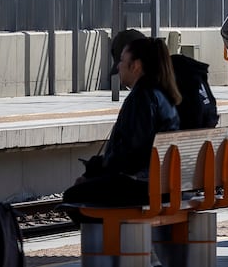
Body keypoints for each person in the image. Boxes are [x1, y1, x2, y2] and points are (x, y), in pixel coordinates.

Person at [62, 34, 181, 213]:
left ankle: (111, 238)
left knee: (73, 197)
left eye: (122, 61)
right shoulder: (163, 95)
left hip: (145, 187)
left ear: (136, 66)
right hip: (163, 184)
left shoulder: (142, 98)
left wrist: (97, 170)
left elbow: (131, 156)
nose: (118, 67)